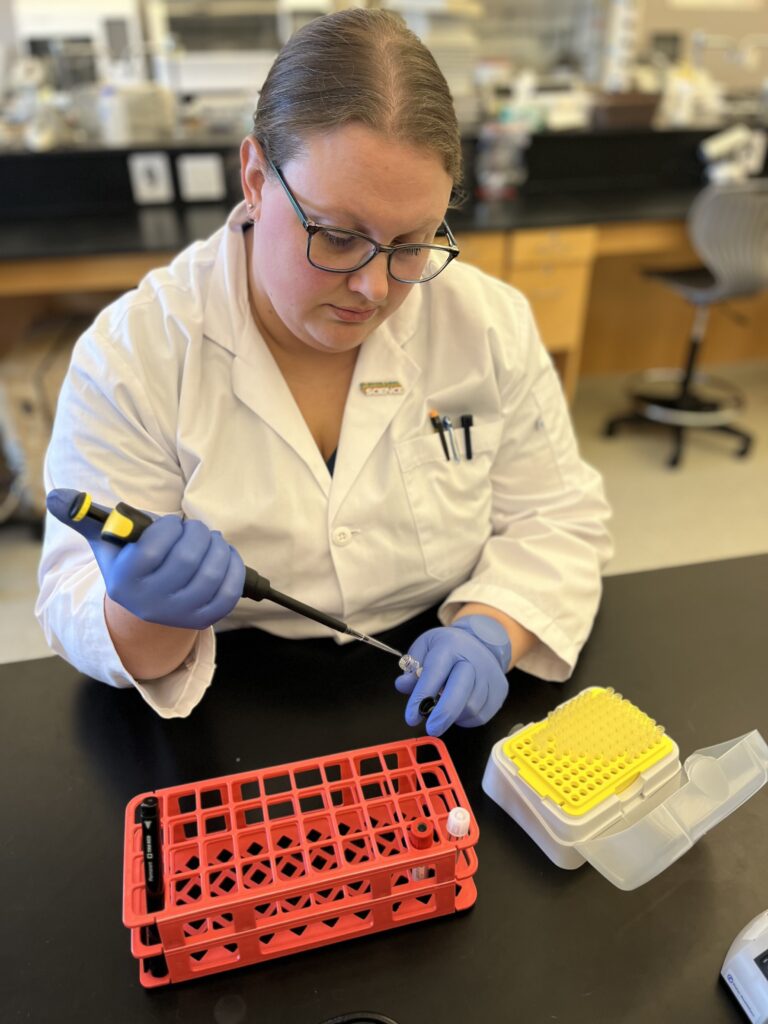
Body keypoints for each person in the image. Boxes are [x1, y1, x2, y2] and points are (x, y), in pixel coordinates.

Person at [37, 9, 612, 732]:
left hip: (433, 677)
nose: (374, 290)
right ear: (254, 176)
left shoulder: (486, 322)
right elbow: (74, 596)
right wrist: (142, 611)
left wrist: (493, 631)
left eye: (412, 243)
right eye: (338, 237)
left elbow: (558, 515)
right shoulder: (135, 353)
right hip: (228, 701)